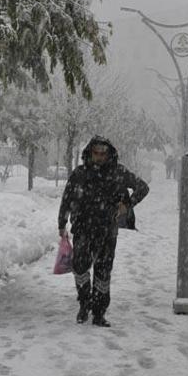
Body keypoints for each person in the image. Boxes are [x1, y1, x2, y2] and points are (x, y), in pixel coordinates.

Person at [58, 136, 150, 327]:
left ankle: (99, 313)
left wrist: (127, 205)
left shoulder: (118, 172)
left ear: (109, 154)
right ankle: (84, 304)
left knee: (103, 270)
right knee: (80, 267)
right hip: (82, 228)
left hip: (107, 230)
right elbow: (67, 199)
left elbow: (142, 187)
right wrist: (62, 223)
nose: (100, 156)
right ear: (90, 153)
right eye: (96, 153)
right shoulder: (79, 174)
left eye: (103, 153)